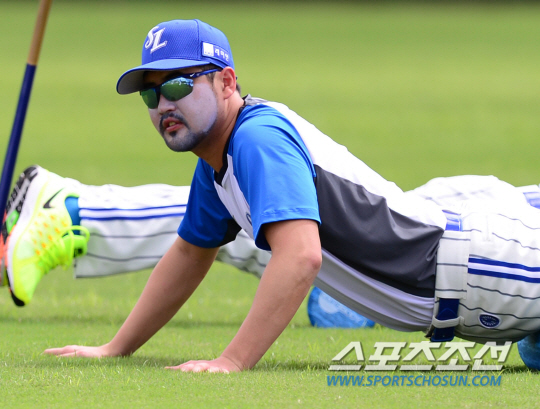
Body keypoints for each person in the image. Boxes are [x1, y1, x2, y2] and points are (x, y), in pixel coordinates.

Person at [5, 19, 540, 372]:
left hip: (488, 270)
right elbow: (191, 253)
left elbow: (301, 256)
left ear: (226, 81)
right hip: (472, 275)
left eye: (176, 85)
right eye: (150, 92)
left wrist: (232, 361)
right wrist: (114, 348)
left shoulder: (255, 138)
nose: (161, 104)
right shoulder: (217, 160)